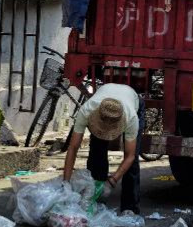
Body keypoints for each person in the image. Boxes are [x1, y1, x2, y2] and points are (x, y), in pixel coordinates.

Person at [62, 83, 144, 214]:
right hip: (105, 97)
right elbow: (73, 148)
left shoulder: (131, 118)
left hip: (132, 99)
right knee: (96, 151)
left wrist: (112, 181)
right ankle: (93, 199)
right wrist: (65, 183)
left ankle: (130, 207)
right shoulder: (87, 110)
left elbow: (130, 156)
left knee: (132, 165)